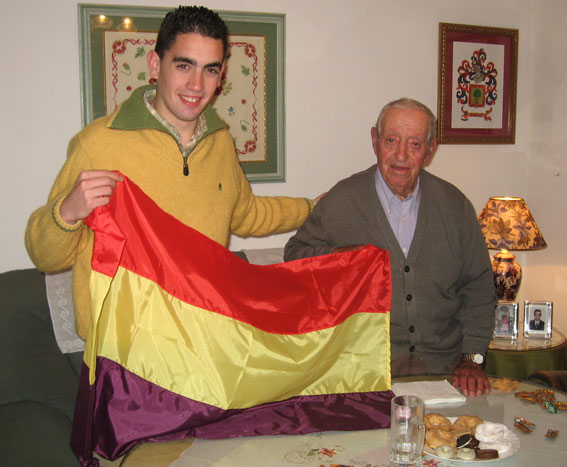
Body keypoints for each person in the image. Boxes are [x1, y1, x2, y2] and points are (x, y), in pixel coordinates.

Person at [25, 6, 315, 340]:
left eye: (210, 70)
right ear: (154, 65)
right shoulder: (100, 143)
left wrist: (314, 208)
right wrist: (68, 211)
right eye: (184, 65)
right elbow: (45, 256)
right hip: (122, 355)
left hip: (198, 342)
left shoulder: (220, 143)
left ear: (221, 76)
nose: (196, 84)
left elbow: (247, 214)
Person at [284, 98, 496, 397]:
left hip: (445, 370)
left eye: (414, 144)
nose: (400, 155)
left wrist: (472, 359)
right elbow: (294, 257)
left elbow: (478, 288)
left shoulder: (455, 206)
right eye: (391, 140)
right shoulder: (342, 201)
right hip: (363, 372)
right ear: (375, 140)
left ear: (430, 150)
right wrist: (339, 259)